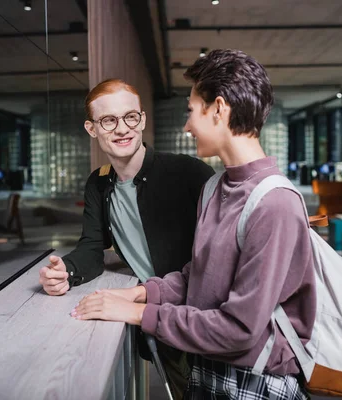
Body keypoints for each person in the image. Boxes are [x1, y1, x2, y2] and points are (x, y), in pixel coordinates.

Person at [71, 50, 316, 399]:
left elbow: (240, 329)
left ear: (218, 109)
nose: (186, 126)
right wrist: (141, 292)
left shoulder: (275, 203)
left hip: (253, 384)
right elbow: (197, 276)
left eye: (190, 111)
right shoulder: (216, 187)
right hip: (210, 372)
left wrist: (140, 312)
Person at [38, 78, 215, 398]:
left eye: (130, 117)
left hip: (204, 317)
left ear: (143, 119)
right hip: (159, 320)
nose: (122, 128)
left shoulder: (186, 172)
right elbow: (92, 246)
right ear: (92, 129)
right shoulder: (99, 183)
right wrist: (66, 270)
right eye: (108, 120)